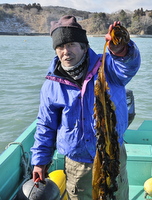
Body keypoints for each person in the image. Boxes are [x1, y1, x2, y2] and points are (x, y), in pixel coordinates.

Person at [30, 15, 141, 199]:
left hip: (112, 153)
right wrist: (40, 162)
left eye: (71, 44)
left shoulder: (107, 67)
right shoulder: (52, 84)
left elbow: (127, 67)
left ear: (83, 46)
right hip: (77, 162)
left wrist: (121, 50)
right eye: (60, 47)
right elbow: (46, 125)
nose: (66, 51)